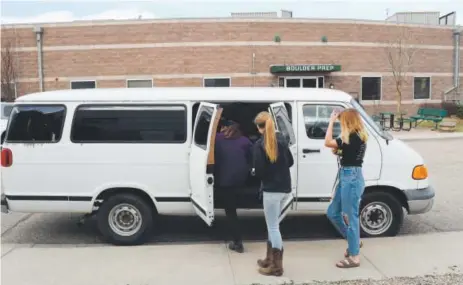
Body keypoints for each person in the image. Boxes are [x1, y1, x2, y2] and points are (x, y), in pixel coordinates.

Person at [324, 108, 368, 269]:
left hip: (351, 177)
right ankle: (354, 241)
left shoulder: (352, 136)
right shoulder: (357, 135)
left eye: (342, 120)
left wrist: (331, 122)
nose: (340, 122)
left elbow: (327, 142)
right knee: (333, 213)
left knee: (351, 217)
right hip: (347, 175)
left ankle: (354, 256)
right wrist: (340, 151)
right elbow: (346, 151)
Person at [253, 111, 293, 276]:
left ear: (258, 127)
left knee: (273, 227)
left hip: (271, 190)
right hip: (284, 187)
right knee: (273, 224)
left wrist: (255, 171)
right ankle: (270, 259)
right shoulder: (282, 140)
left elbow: (260, 171)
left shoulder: (259, 145)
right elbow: (290, 161)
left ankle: (276, 266)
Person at [214, 119, 252, 253]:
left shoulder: (217, 139)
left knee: (230, 212)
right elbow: (250, 159)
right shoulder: (245, 141)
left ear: (224, 127)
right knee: (233, 208)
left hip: (224, 181)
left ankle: (237, 242)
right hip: (240, 180)